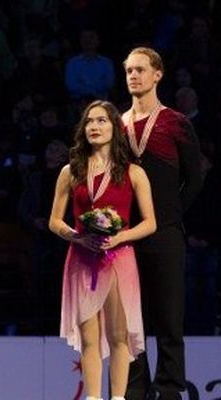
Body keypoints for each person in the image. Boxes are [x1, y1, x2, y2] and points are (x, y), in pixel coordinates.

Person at [49, 100, 156, 400]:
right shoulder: (70, 171)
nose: (94, 127)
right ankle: (94, 397)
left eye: (102, 121)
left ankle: (118, 398)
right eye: (89, 122)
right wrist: (76, 237)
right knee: (89, 337)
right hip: (82, 258)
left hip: (119, 258)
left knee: (119, 335)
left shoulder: (133, 173)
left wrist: (120, 238)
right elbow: (54, 221)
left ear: (115, 128)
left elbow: (150, 223)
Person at [122, 47, 203, 400]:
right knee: (129, 323)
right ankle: (134, 390)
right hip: (125, 237)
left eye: (141, 69)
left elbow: (196, 178)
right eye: (128, 71)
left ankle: (169, 390)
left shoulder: (175, 122)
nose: (134, 76)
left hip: (166, 234)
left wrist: (170, 217)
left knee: (169, 318)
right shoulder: (117, 124)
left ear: (158, 74)